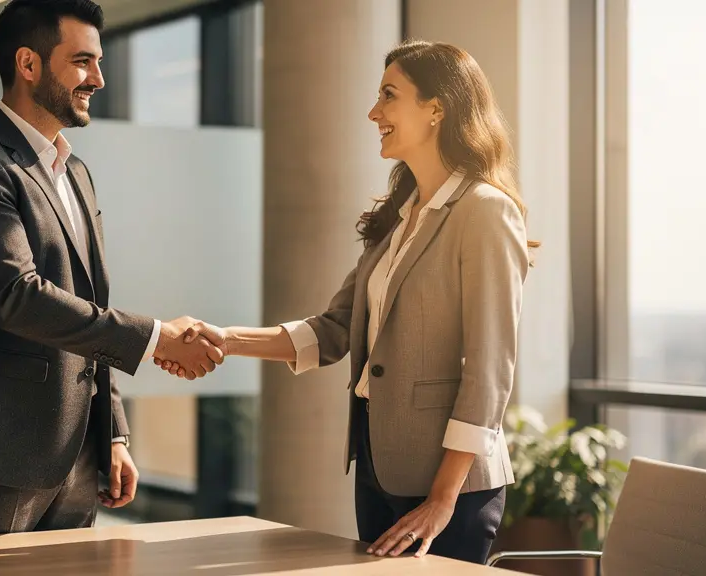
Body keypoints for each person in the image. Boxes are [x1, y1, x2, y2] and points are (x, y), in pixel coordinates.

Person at [158, 40, 534, 565]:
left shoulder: (484, 212)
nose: (373, 112)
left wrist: (442, 499)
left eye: (388, 95)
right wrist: (226, 339)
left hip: (447, 488)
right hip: (379, 464)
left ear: (436, 109)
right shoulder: (401, 214)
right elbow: (333, 329)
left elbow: (489, 371)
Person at [0, 0, 222, 537]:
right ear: (28, 65)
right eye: (82, 62)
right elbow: (18, 296)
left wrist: (113, 432)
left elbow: (89, 303)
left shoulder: (74, 171)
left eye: (98, 62)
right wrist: (157, 338)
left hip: (77, 455)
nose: (98, 78)